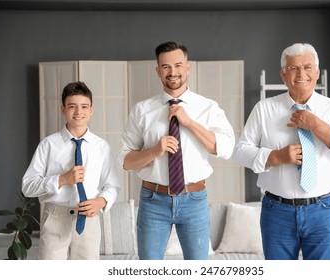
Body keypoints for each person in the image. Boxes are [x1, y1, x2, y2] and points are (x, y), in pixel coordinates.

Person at [235, 43, 330, 260]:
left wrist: (318, 126)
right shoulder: (264, 109)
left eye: (307, 67)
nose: (301, 74)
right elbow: (241, 152)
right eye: (294, 68)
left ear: (316, 72)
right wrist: (276, 157)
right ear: (283, 74)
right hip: (277, 212)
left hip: (324, 210)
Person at [117, 41, 235, 260]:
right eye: (166, 66)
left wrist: (189, 122)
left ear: (188, 68)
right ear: (158, 71)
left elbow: (225, 148)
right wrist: (154, 151)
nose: (173, 72)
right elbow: (125, 161)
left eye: (178, 65)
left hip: (194, 200)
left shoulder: (207, 108)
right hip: (153, 201)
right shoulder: (142, 110)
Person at [22, 81, 121, 260]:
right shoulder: (48, 145)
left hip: (88, 219)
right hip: (54, 218)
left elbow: (113, 185)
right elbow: (27, 187)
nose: (78, 112)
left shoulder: (101, 147)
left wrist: (101, 201)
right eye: (72, 106)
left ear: (91, 110)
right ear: (63, 109)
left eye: (84, 106)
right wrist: (62, 179)